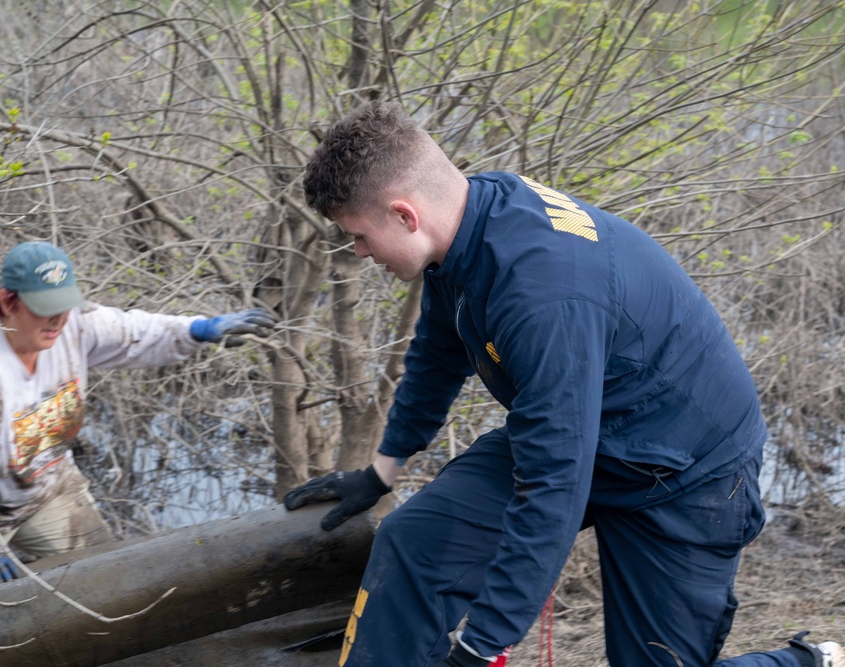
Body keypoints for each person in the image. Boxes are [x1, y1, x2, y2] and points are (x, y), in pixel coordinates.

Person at [283, 101, 843, 667]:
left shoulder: (543, 295)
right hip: (586, 424)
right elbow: (436, 352)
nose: (356, 251)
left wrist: (482, 647)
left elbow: (553, 483)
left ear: (406, 215)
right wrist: (381, 472)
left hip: (687, 470)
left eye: (356, 234)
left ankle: (805, 662)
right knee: (413, 543)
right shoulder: (467, 222)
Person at [0, 240, 276, 586]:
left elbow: (133, 330)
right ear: (7, 302)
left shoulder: (74, 323)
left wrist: (198, 330)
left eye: (63, 305)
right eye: (44, 308)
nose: (57, 320)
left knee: (108, 579)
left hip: (43, 490)